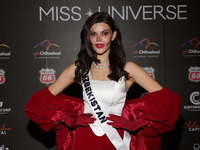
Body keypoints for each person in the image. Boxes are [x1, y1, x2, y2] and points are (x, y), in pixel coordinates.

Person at [25, 12, 182, 150]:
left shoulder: (129, 68)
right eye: (93, 34)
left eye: (104, 33)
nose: (99, 39)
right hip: (83, 137)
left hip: (116, 139)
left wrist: (134, 125)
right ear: (88, 37)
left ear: (113, 35)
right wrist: (71, 120)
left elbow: (167, 101)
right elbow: (40, 103)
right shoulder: (78, 69)